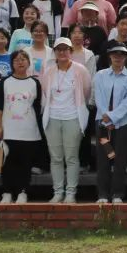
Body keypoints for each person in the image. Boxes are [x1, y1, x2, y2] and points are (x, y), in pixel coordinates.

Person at [40, 37, 92, 203]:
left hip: (73, 117)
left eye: (65, 49)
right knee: (56, 158)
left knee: (71, 157)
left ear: (71, 51)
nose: (62, 52)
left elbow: (86, 91)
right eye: (59, 49)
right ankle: (58, 192)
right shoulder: (48, 71)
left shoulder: (80, 70)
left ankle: (70, 193)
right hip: (52, 117)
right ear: (54, 52)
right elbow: (45, 91)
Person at [0, 50, 43, 204]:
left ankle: (23, 192)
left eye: (23, 59)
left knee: (25, 164)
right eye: (16, 60)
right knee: (7, 163)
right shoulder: (5, 82)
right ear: (12, 64)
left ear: (28, 62)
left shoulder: (35, 83)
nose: (20, 62)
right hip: (9, 130)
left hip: (29, 130)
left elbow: (38, 107)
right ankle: (7, 192)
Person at [92, 43, 127, 204]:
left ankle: (117, 194)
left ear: (126, 57)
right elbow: (98, 97)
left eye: (121, 55)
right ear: (109, 56)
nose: (118, 57)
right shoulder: (100, 75)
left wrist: (112, 117)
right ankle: (102, 194)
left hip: (122, 123)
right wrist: (106, 118)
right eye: (114, 54)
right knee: (103, 157)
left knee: (120, 159)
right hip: (102, 124)